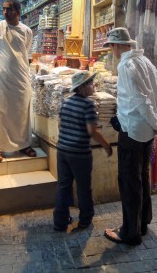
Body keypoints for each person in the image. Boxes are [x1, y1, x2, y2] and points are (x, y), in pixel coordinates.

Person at [102, 27, 157, 245]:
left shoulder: (126, 65)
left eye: (111, 45)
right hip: (146, 132)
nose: (111, 49)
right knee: (141, 176)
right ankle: (142, 222)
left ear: (117, 45)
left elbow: (141, 101)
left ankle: (130, 232)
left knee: (130, 181)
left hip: (132, 131)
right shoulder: (146, 62)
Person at [53, 71, 113, 231]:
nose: (94, 86)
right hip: (79, 154)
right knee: (83, 187)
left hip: (62, 151)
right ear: (82, 87)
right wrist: (106, 145)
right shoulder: (88, 105)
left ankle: (60, 221)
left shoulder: (66, 102)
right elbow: (92, 130)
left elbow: (60, 125)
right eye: (91, 83)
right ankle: (85, 219)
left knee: (63, 186)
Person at [0, 0, 36, 162]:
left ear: (18, 12)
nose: (6, 12)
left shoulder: (27, 31)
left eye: (10, 9)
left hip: (20, 76)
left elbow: (24, 52)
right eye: (4, 9)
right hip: (0, 77)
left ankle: (23, 144)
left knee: (21, 110)